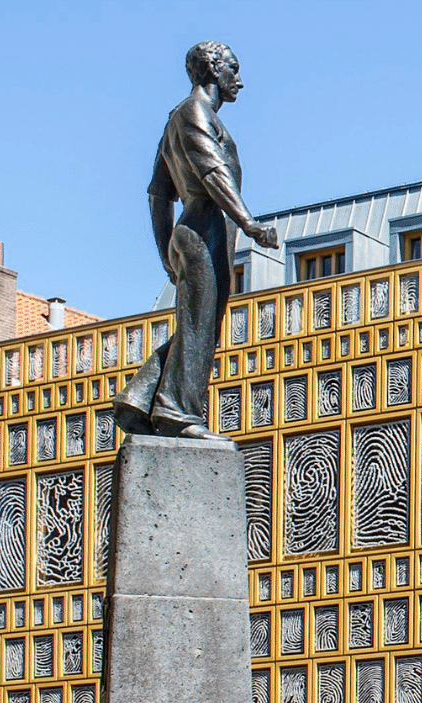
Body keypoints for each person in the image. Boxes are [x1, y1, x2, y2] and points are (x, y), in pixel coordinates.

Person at [115, 40, 279, 440]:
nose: (239, 80)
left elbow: (158, 195)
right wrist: (250, 224)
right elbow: (213, 173)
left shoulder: (180, 117)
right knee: (200, 327)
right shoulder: (194, 113)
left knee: (198, 325)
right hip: (205, 229)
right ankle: (179, 413)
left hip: (198, 232)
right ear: (212, 69)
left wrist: (165, 251)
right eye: (233, 69)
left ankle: (140, 396)